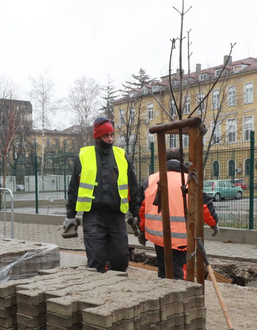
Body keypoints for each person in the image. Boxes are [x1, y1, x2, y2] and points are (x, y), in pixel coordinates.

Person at [63, 117, 142, 273]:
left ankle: (116, 291)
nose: (110, 139)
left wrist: (137, 214)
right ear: (97, 137)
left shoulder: (121, 156)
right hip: (94, 216)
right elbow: (74, 188)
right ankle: (97, 292)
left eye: (112, 135)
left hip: (117, 216)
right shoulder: (84, 156)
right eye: (106, 135)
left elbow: (132, 187)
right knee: (96, 260)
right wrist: (70, 215)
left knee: (120, 258)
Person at [138, 148, 219, 279]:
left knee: (163, 268)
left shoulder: (151, 180)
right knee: (178, 272)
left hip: (158, 235)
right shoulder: (189, 180)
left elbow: (142, 208)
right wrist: (214, 223)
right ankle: (177, 296)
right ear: (182, 161)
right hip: (180, 237)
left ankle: (164, 291)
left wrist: (142, 231)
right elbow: (204, 205)